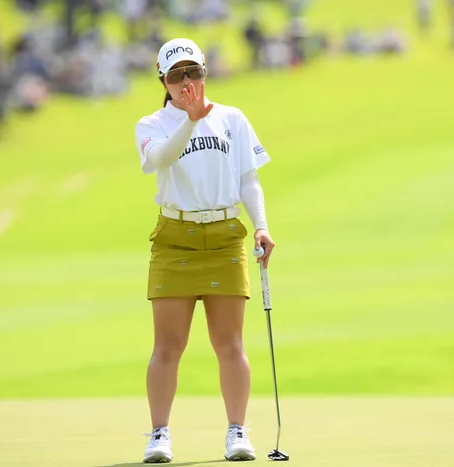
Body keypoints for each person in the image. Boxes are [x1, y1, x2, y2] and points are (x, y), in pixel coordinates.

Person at [134, 37, 275, 463]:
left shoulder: (232, 118)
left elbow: (248, 179)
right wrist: (190, 121)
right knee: (168, 345)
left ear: (204, 73)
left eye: (193, 72)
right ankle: (159, 435)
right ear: (163, 80)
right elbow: (160, 159)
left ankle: (237, 431)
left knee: (229, 343)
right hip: (175, 237)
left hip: (225, 235)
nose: (186, 82)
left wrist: (261, 226)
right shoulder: (152, 124)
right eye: (177, 76)